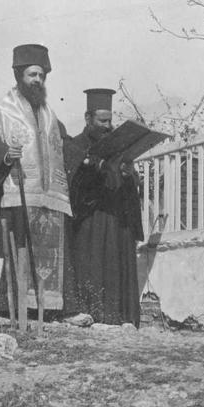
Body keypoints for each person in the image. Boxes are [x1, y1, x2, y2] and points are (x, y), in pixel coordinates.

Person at [0, 44, 75, 319]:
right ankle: (9, 307)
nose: (38, 80)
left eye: (42, 75)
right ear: (19, 76)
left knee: (52, 257)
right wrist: (5, 155)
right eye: (32, 75)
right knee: (14, 254)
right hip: (16, 196)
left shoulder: (50, 116)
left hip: (50, 200)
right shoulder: (0, 112)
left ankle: (49, 310)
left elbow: (65, 146)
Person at [64, 88, 144, 327]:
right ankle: (93, 315)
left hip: (117, 220)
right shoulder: (76, 145)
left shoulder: (119, 146)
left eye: (110, 121)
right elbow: (73, 185)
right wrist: (91, 167)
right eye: (102, 121)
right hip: (91, 221)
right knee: (93, 265)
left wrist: (128, 174)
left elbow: (129, 184)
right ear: (88, 118)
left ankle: (121, 317)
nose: (108, 126)